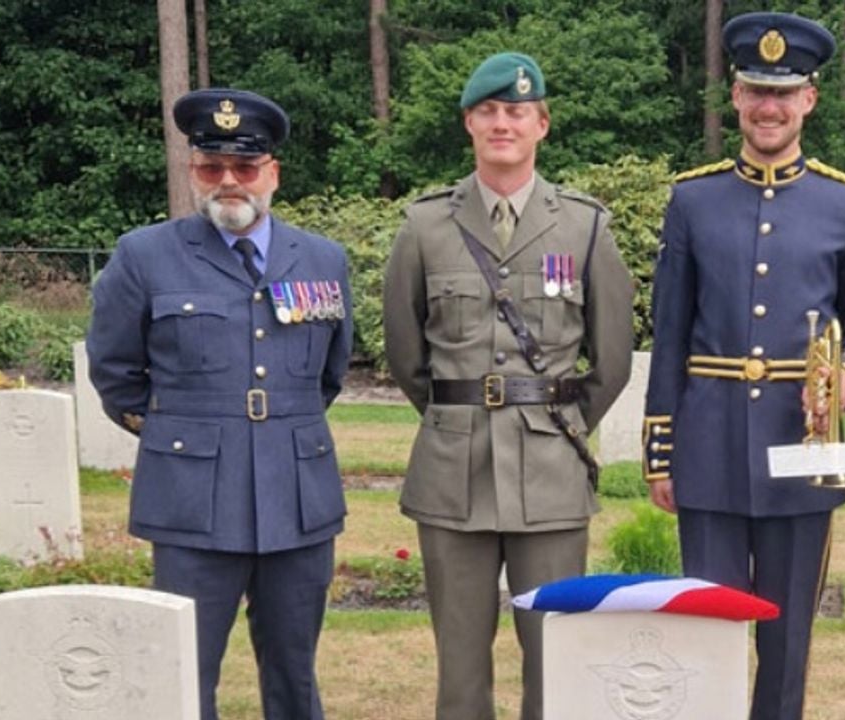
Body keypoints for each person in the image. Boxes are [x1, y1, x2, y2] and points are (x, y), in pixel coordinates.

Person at [642, 12, 845, 720]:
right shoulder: (693, 199)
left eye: (785, 93)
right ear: (737, 97)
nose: (769, 107)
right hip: (710, 448)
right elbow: (670, 334)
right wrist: (663, 453)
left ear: (810, 98)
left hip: (803, 452)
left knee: (787, 645)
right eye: (755, 90)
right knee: (707, 634)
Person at [87, 88, 353, 720]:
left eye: (245, 167)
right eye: (211, 167)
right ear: (192, 173)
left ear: (273, 175)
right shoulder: (145, 255)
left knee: (295, 676)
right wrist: (186, 438)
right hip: (191, 502)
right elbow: (116, 374)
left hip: (297, 498)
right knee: (183, 673)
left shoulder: (322, 259)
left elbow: (329, 375)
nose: (229, 181)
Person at [383, 52, 633, 720]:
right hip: (451, 478)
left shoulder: (585, 227)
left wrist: (556, 425)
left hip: (549, 473)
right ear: (469, 122)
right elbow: (407, 359)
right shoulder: (424, 227)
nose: (503, 123)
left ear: (541, 124)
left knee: (555, 663)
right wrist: (457, 418)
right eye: (489, 111)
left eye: (517, 111)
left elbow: (611, 361)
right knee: (460, 674)